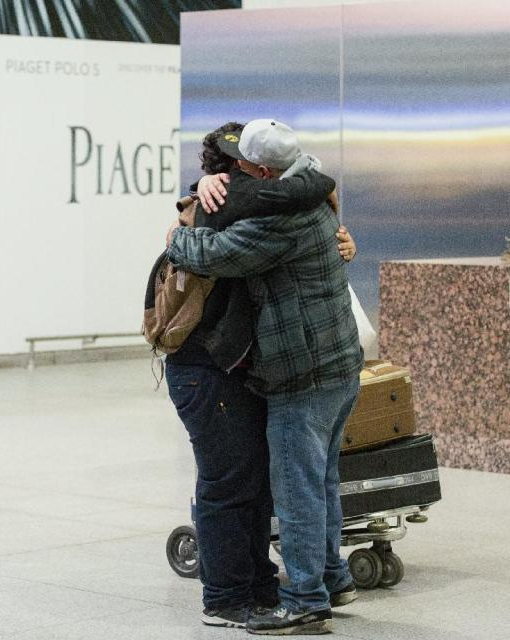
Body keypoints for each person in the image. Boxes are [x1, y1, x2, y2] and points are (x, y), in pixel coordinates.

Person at [168, 119, 364, 636]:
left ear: (257, 171)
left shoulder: (279, 216)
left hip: (304, 373)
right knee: (317, 481)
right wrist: (194, 199)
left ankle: (303, 599)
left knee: (298, 490)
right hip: (337, 365)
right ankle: (329, 576)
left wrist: (176, 237)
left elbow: (215, 254)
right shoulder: (313, 186)